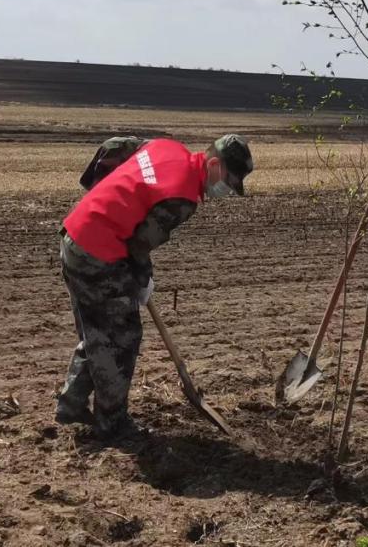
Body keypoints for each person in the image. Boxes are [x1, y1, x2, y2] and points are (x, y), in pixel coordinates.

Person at [56, 134, 254, 440]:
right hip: (98, 253)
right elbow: (139, 244)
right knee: (121, 338)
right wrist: (143, 278)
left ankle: (71, 406)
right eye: (228, 182)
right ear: (214, 164)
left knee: (97, 328)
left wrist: (98, 193)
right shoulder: (182, 197)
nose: (226, 191)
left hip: (74, 235)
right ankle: (113, 424)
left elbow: (114, 146)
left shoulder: (166, 146)